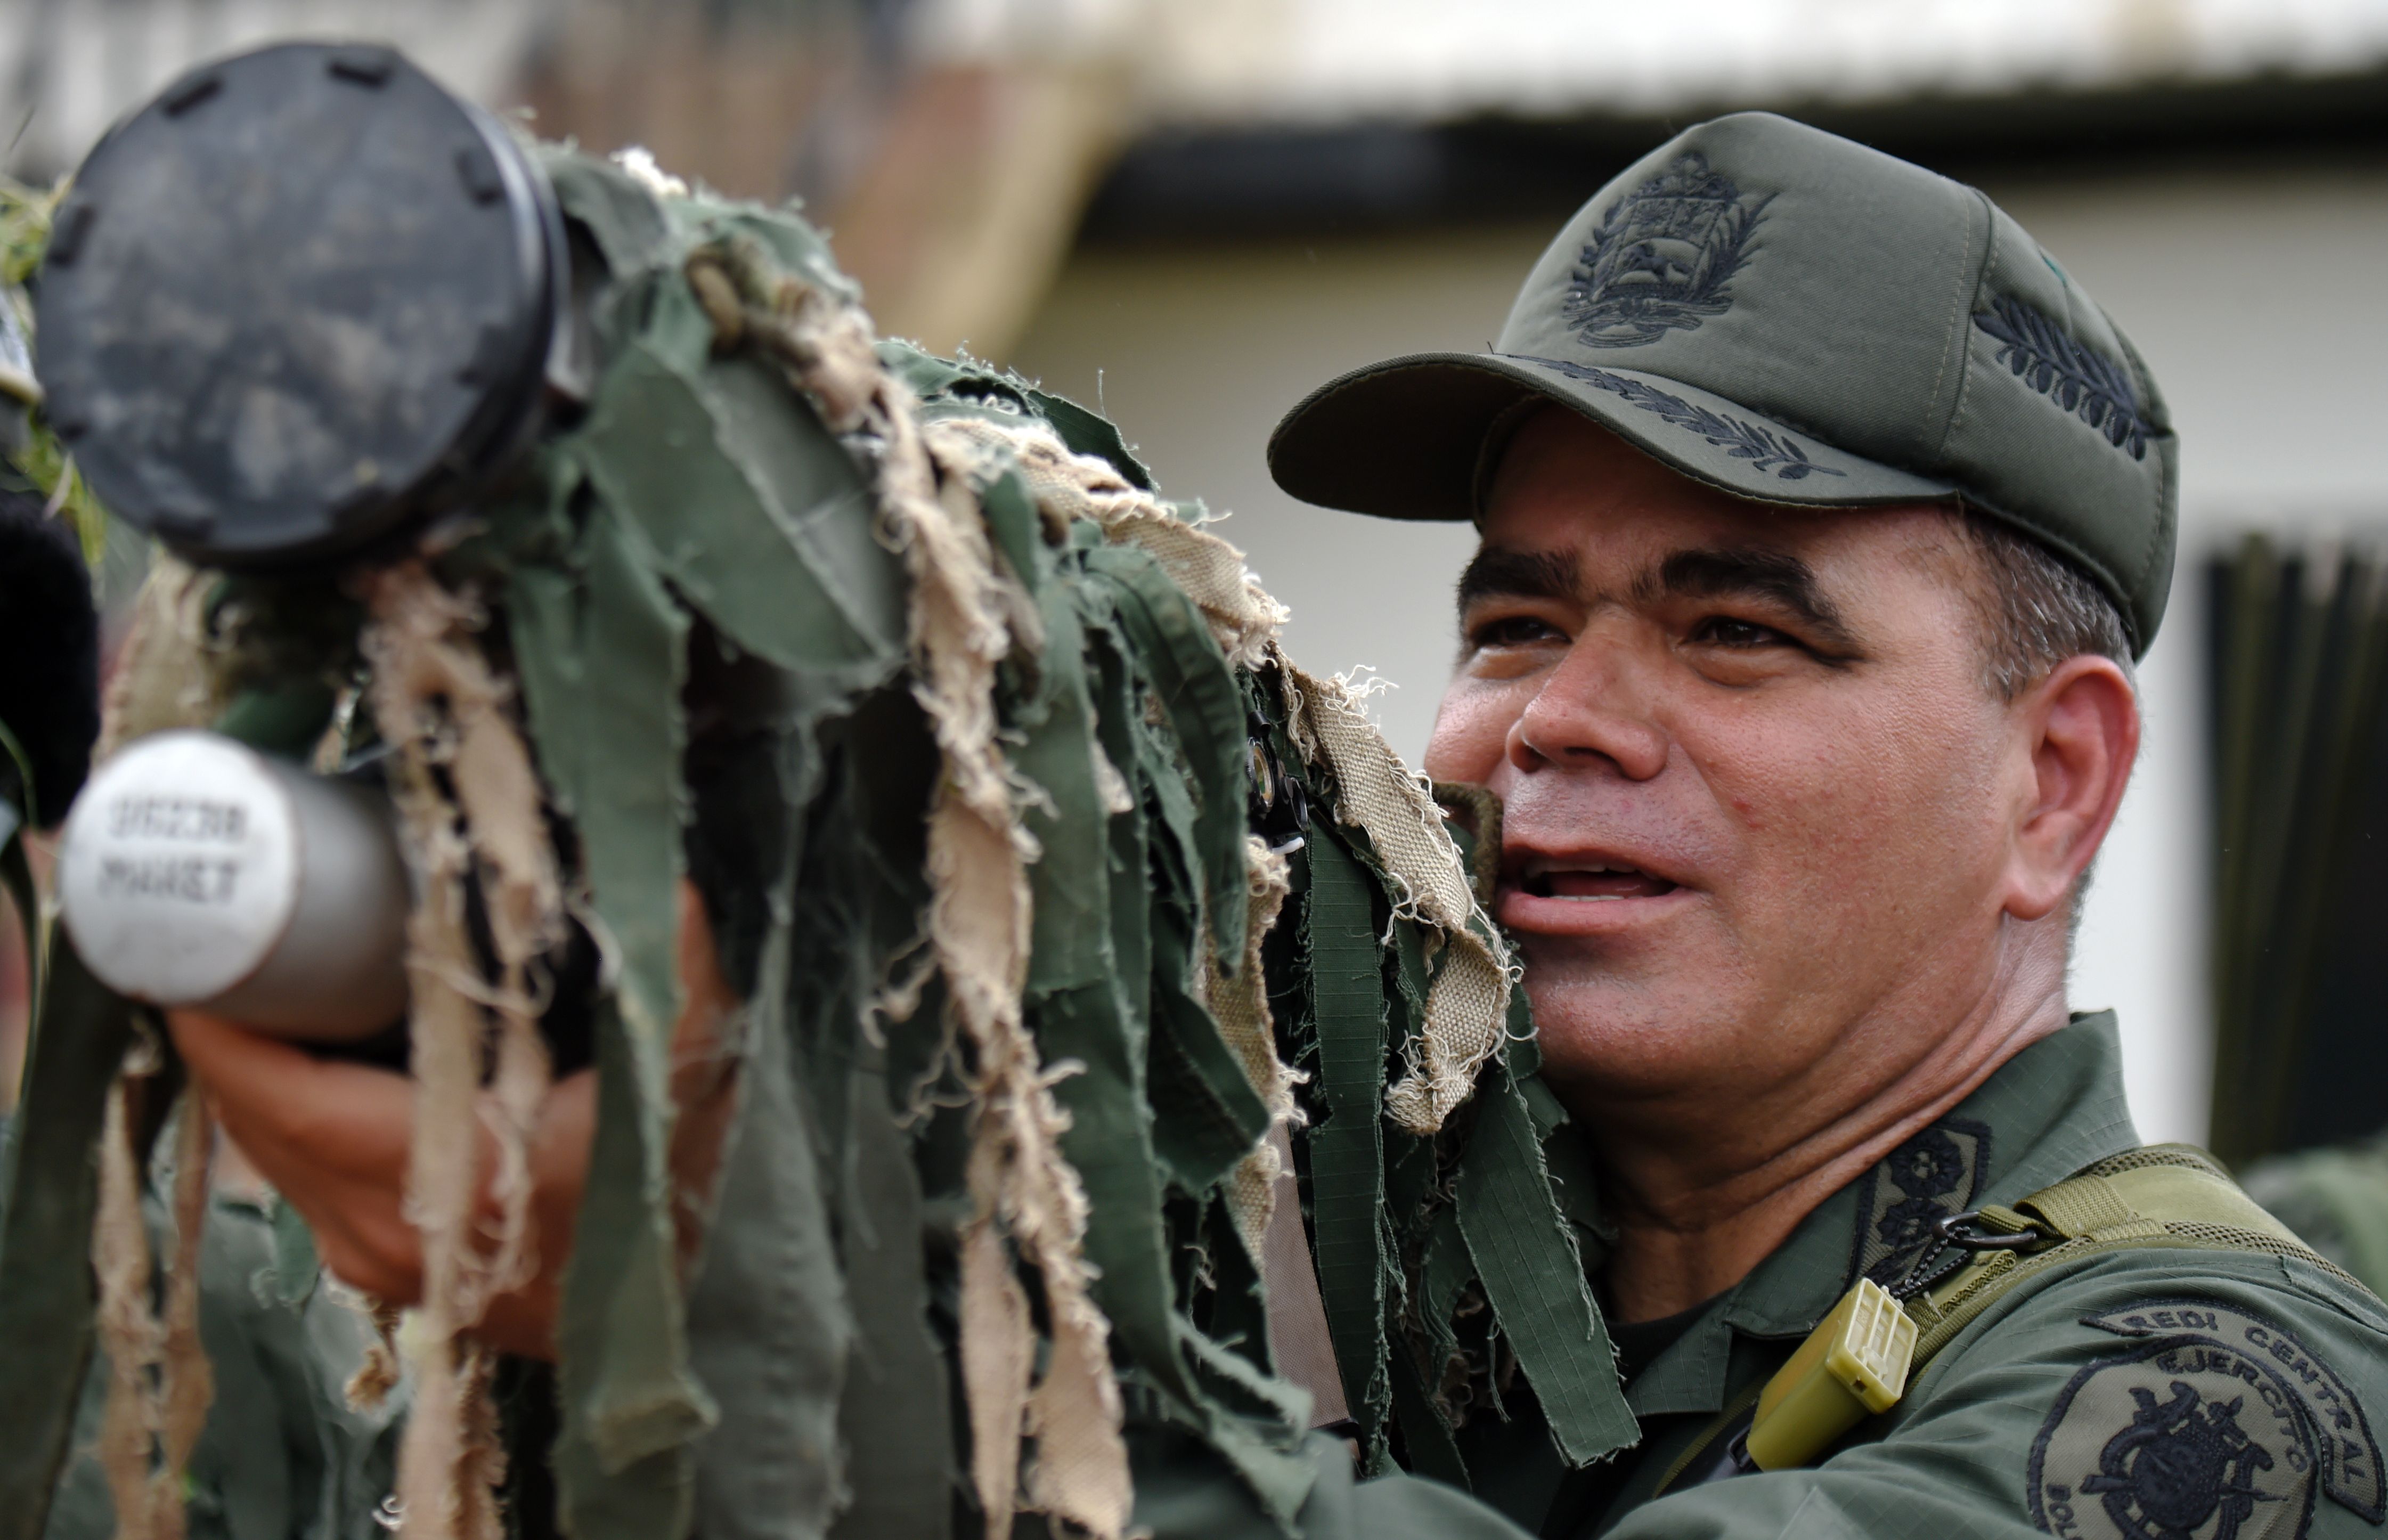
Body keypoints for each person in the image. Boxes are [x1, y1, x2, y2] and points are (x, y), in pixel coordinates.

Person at [172, 110, 2388, 1540]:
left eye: (1733, 633)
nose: (1554, 724)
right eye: (1515, 619)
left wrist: (830, 1316)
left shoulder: (2233, 1400)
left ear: (2053, 780)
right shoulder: (1374, 1263)